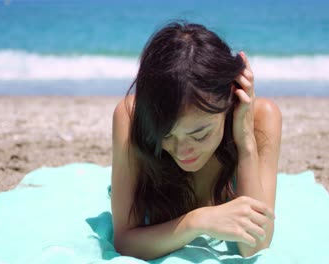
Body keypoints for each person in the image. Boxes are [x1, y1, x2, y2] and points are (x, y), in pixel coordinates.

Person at [111, 21, 282, 260]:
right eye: (166, 135)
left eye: (199, 134)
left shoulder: (263, 118)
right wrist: (198, 221)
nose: (182, 151)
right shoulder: (131, 118)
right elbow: (125, 241)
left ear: (230, 100)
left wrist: (245, 141)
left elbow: (256, 246)